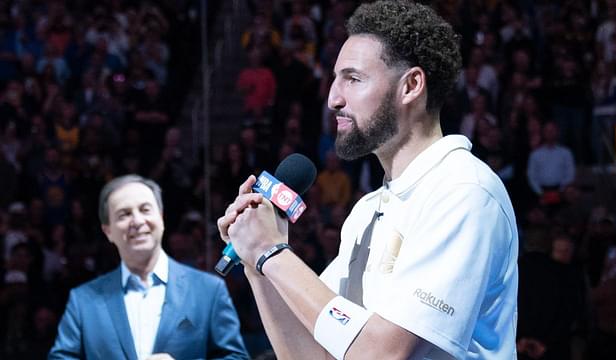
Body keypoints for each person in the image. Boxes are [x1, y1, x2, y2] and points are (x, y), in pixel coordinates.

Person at [218, 1, 518, 359]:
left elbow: (382, 354)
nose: (333, 98)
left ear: (411, 86)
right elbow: (311, 357)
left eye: (353, 79)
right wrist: (257, 265)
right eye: (334, 79)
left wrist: (273, 252)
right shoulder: (367, 210)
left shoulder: (464, 192)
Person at [49, 175, 249, 360]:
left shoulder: (209, 290)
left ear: (161, 218)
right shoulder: (83, 301)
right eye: (124, 214)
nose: (137, 221)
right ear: (107, 230)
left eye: (145, 209)